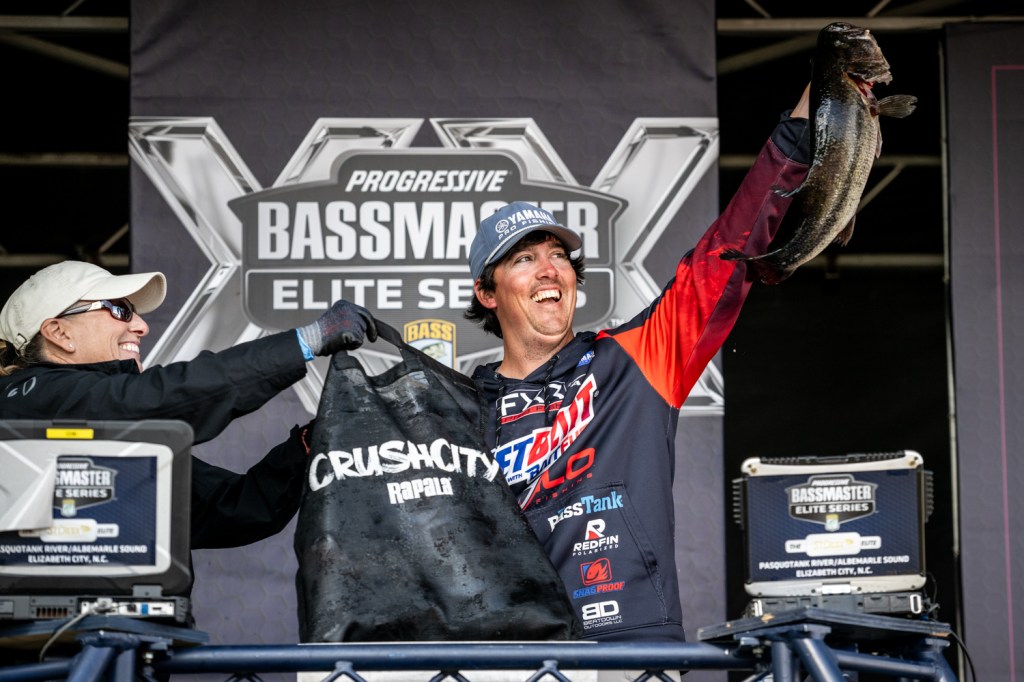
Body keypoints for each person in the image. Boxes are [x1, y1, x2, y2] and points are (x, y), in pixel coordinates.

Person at [465, 87, 811, 642]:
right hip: (510, 656)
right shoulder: (457, 410)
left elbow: (727, 250)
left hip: (631, 648)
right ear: (487, 293)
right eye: (525, 258)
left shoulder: (636, 357)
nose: (550, 270)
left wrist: (805, 122)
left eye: (559, 256)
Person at [0, 260, 375, 550]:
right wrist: (307, 340)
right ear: (59, 332)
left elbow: (234, 509)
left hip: (137, 626)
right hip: (47, 631)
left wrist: (309, 444)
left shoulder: (111, 428)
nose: (141, 326)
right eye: (120, 310)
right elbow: (157, 400)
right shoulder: (26, 398)